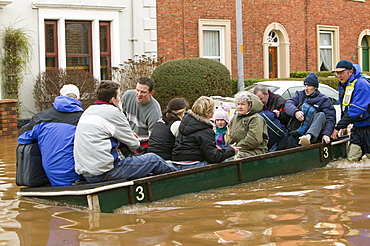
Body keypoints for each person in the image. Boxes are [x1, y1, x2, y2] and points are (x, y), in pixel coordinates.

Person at [73, 81, 177, 183]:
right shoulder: (113, 112)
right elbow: (134, 145)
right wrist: (131, 137)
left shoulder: (87, 111)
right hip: (104, 172)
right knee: (154, 160)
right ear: (113, 100)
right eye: (119, 96)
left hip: (86, 172)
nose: (120, 99)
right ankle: (182, 178)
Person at [18, 84, 84, 186]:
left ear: (59, 95)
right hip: (76, 174)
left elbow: (22, 138)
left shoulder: (40, 118)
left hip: (50, 175)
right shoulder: (84, 119)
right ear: (79, 99)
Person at [172, 96, 238, 170]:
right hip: (192, 164)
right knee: (224, 160)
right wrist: (231, 150)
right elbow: (213, 157)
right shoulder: (205, 130)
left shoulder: (186, 122)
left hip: (177, 162)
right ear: (209, 112)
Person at [330, 60, 370, 161]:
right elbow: (345, 107)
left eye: (341, 72)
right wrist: (344, 127)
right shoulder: (344, 86)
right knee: (351, 160)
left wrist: (338, 127)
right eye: (337, 73)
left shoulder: (362, 85)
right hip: (357, 128)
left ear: (350, 72)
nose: (339, 76)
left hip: (368, 128)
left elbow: (356, 110)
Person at [285, 72, 336, 147]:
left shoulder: (324, 100)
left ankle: (308, 137)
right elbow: (288, 104)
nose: (306, 88)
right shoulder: (299, 94)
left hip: (314, 134)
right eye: (305, 85)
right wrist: (296, 112)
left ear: (315, 87)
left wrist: (326, 134)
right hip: (297, 130)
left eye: (309, 86)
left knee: (321, 115)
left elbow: (330, 118)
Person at [229, 91, 269, 158]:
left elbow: (254, 139)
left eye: (243, 104)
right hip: (237, 149)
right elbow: (231, 136)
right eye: (238, 104)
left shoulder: (256, 118)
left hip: (253, 151)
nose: (239, 107)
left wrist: (235, 148)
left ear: (250, 105)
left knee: (230, 159)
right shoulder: (235, 117)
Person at [253, 84, 289, 151]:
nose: (259, 102)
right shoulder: (256, 104)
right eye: (257, 99)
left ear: (266, 94)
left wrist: (279, 115)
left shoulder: (280, 101)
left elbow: (287, 118)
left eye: (261, 99)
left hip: (279, 137)